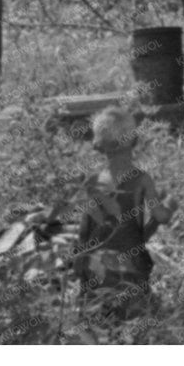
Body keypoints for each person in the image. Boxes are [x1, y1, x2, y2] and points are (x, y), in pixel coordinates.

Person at [72, 103, 174, 316]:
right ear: (134, 141)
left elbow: (85, 229)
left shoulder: (93, 181)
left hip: (97, 265)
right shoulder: (141, 180)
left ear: (98, 147)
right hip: (131, 264)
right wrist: (170, 206)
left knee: (97, 314)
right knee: (134, 312)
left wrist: (80, 261)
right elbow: (161, 217)